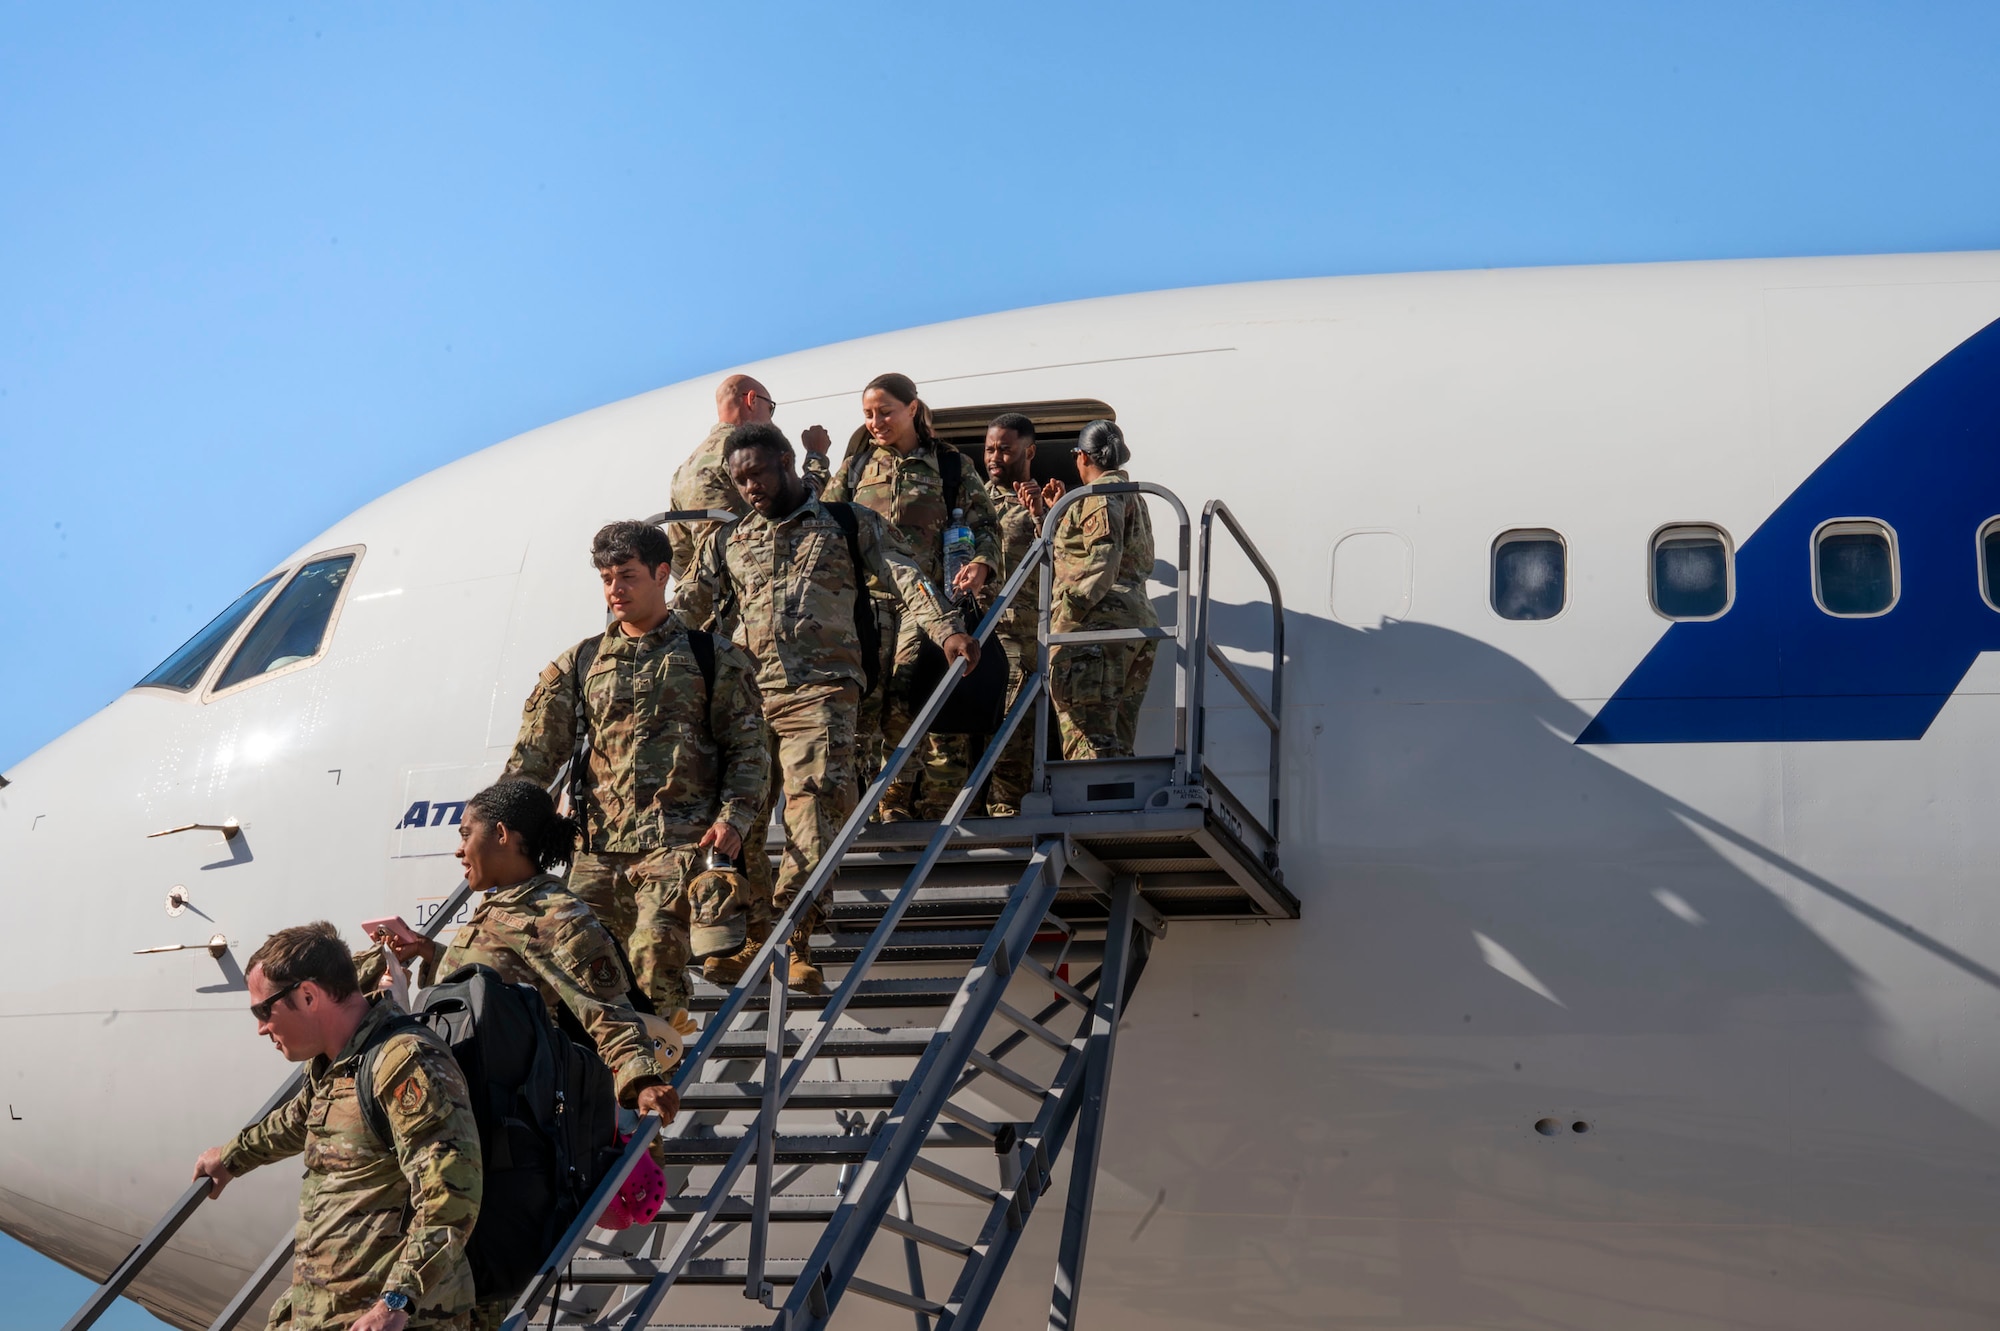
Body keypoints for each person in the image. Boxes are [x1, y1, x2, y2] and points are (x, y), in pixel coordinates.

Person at [677, 423, 977, 992]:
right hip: (748, 700)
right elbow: (687, 610)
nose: (750, 488)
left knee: (812, 821)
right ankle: (748, 940)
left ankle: (794, 941)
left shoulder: (846, 523)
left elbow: (905, 572)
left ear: (788, 462)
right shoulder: (729, 541)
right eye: (739, 480)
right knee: (736, 821)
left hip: (822, 695)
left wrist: (944, 630)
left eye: (757, 474)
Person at [504, 520, 770, 1017]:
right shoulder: (580, 663)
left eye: (627, 576)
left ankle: (660, 1081)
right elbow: (535, 757)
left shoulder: (712, 658)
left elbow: (749, 749)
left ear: (662, 574)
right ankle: (598, 1087)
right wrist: (501, 823)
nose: (615, 589)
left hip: (679, 846)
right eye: (607, 578)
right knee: (571, 973)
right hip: (598, 851)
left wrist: (734, 817)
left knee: (653, 956)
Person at [191, 924, 482, 1331]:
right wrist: (232, 1156)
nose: (260, 1027)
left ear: (308, 995)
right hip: (330, 1315)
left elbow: (450, 1198)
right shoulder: (338, 1068)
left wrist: (395, 1303)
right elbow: (295, 1121)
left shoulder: (403, 1062)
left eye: (263, 1010)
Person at [364, 779, 681, 1119]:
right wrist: (429, 953)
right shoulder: (503, 906)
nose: (459, 850)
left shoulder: (552, 914)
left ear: (501, 834)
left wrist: (643, 1081)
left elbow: (606, 1008)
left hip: (517, 1116)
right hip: (465, 1103)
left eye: (466, 834)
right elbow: (495, 985)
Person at [809, 372, 1001, 820]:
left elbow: (987, 526)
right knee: (872, 701)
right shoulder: (857, 466)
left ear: (912, 409)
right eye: (868, 415)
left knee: (914, 690)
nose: (876, 422)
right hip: (869, 603)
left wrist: (983, 564)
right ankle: (881, 802)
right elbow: (824, 523)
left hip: (929, 599)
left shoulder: (950, 465)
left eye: (886, 412)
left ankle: (918, 801)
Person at [1045, 419, 1159, 759]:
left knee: (1088, 739)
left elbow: (1104, 556)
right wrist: (1057, 514)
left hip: (1097, 625)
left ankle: (1090, 811)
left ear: (1082, 457)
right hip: (1134, 620)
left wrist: (1069, 613)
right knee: (1117, 740)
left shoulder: (1099, 493)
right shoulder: (1132, 496)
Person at [665, 374, 833, 582]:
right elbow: (799, 509)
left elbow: (680, 553)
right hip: (759, 583)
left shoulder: (684, 469)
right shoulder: (748, 455)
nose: (771, 419)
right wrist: (816, 456)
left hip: (713, 591)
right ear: (751, 400)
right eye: (770, 408)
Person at [978, 413, 1043, 815]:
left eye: (1005, 449)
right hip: (981, 631)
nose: (995, 457)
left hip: (1023, 632)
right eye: (989, 449)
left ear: (1029, 451)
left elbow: (1065, 556)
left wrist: (1040, 513)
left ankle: (1006, 806)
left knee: (1015, 725)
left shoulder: (1049, 502)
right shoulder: (973, 501)